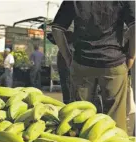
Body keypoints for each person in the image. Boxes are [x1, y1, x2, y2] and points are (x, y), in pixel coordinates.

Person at [52, 1, 135, 132]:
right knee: (115, 119)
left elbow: (57, 29)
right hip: (113, 62)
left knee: (80, 117)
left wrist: (68, 57)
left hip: (82, 63)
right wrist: (131, 55)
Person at [48, 31, 74, 104]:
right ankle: (69, 102)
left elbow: (52, 35)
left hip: (67, 52)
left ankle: (68, 102)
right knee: (67, 81)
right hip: (68, 52)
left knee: (67, 81)